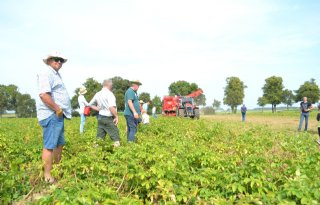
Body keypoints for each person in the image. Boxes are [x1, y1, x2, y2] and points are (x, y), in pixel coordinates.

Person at [36, 52, 71, 183]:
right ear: (49, 60)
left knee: (59, 144)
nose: (59, 62)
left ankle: (57, 170)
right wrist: (57, 109)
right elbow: (44, 95)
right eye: (57, 59)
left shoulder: (55, 74)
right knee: (50, 145)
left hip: (57, 115)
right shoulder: (46, 73)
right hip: (51, 113)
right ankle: (48, 176)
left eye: (61, 60)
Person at [89, 79, 120, 147]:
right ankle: (116, 151)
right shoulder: (109, 94)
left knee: (99, 138)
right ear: (109, 84)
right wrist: (116, 116)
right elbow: (111, 107)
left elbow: (90, 104)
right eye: (111, 84)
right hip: (108, 117)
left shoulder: (98, 94)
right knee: (116, 137)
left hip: (100, 117)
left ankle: (94, 153)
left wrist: (98, 109)